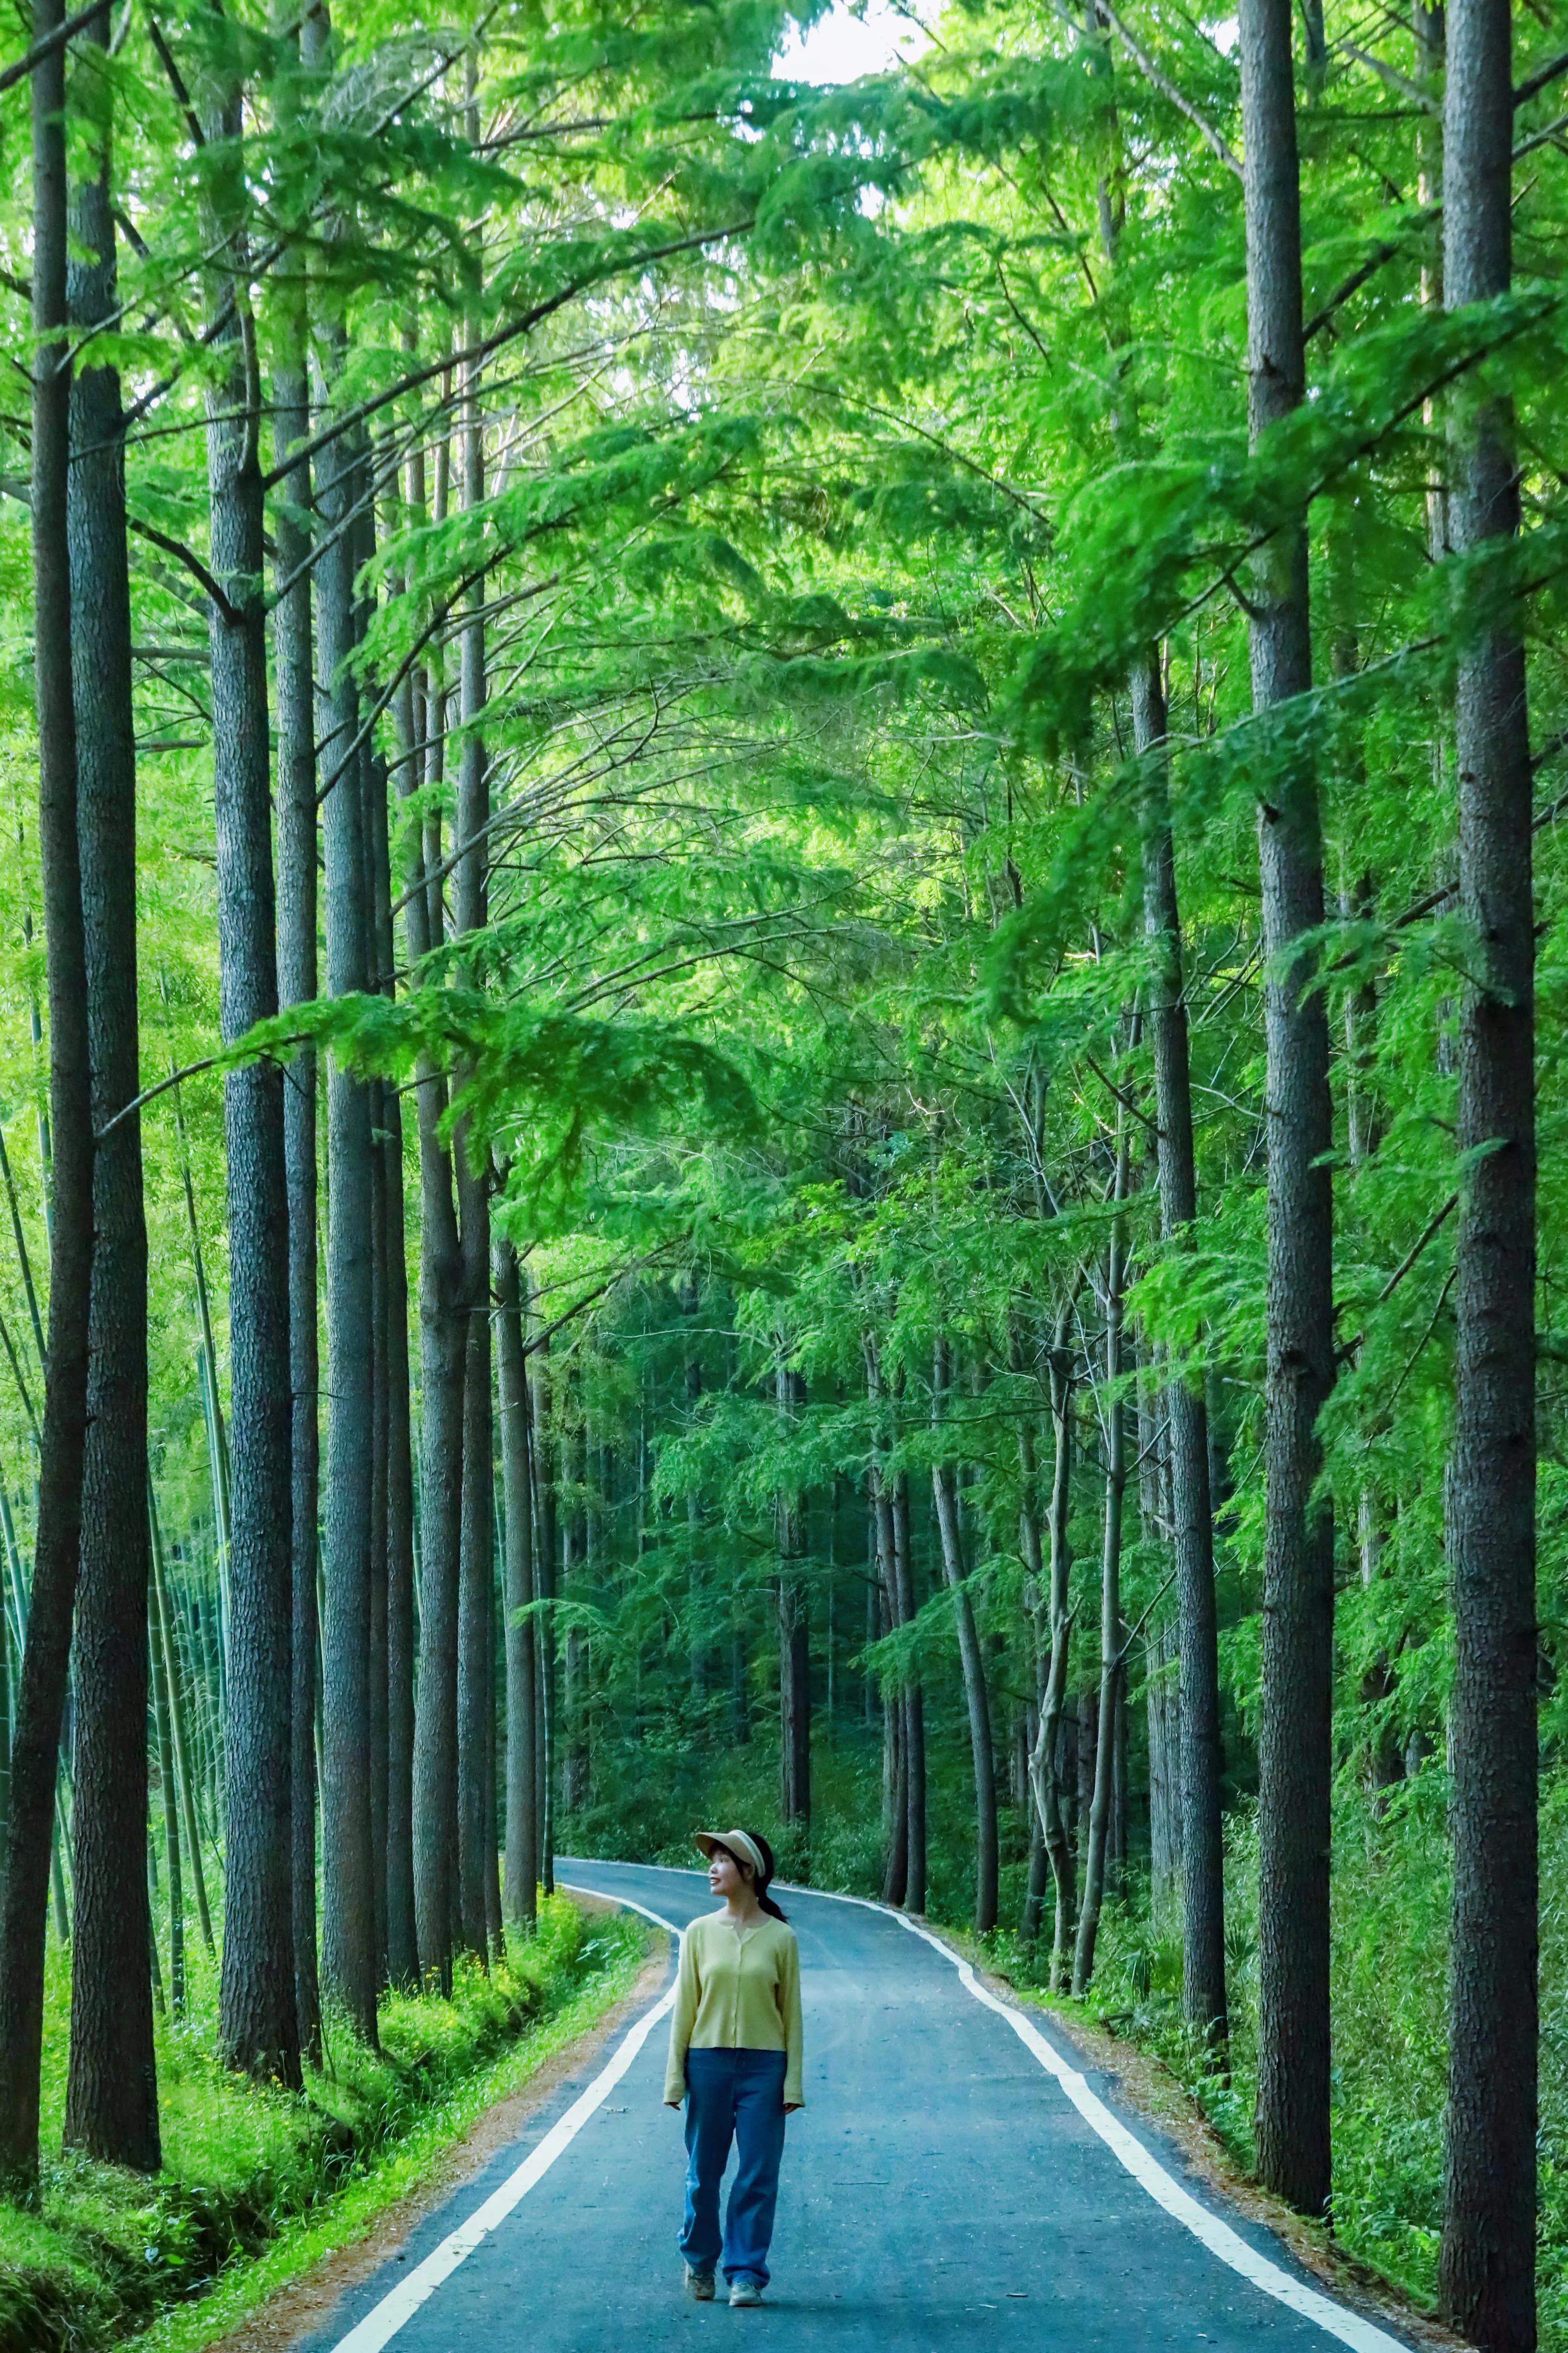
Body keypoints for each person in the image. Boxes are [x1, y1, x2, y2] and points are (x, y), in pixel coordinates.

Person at [664, 1828, 804, 2308]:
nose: (712, 1867)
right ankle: (699, 2262)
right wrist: (674, 2077)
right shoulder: (699, 1934)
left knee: (758, 2176)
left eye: (723, 1860)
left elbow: (793, 2017)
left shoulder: (782, 1938)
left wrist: (793, 2081)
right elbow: (684, 2009)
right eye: (713, 1859)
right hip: (708, 2064)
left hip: (766, 2069)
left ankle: (745, 2275)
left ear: (750, 1872)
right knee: (704, 2174)